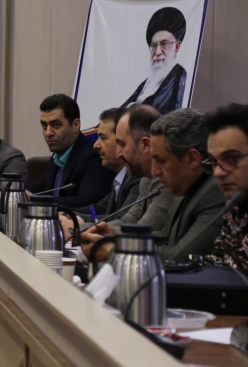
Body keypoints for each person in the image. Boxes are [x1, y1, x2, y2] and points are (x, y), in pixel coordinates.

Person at [84, 109, 225, 263]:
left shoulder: (215, 191)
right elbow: (164, 237)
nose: (154, 171)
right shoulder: (185, 186)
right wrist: (114, 237)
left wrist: (114, 250)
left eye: (161, 161)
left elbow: (178, 256)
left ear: (192, 159)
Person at [27, 94, 115, 208]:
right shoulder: (58, 156)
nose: (48, 133)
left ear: (75, 125)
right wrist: (23, 194)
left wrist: (35, 200)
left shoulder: (93, 156)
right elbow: (35, 189)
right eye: (44, 125)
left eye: (56, 125)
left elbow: (87, 202)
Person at [203, 103, 248, 273]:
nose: (218, 172)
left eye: (231, 159)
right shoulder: (235, 205)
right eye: (214, 162)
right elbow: (219, 261)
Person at [77, 107, 140, 221]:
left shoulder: (138, 178)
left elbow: (121, 220)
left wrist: (77, 220)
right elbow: (100, 209)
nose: (96, 145)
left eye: (103, 138)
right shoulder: (120, 176)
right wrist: (65, 214)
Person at [122, 7, 188, 113]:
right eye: (153, 45)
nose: (157, 52)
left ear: (177, 46)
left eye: (164, 44)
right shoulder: (149, 81)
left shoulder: (180, 78)